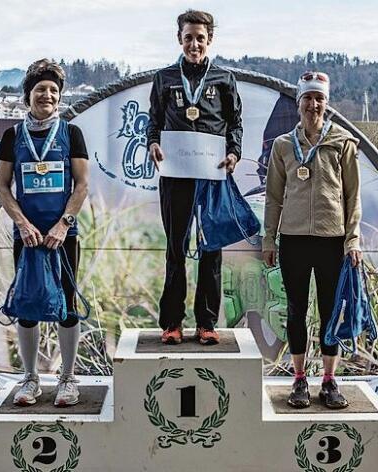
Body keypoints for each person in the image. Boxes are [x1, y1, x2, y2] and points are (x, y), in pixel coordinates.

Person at [263, 71, 362, 410]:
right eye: (308, 98)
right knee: (296, 310)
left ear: (326, 103)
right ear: (299, 102)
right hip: (292, 240)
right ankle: (300, 378)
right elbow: (273, 197)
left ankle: (330, 380)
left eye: (319, 98)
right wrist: (269, 239)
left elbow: (353, 197)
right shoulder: (282, 146)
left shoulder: (343, 142)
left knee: (329, 312)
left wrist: (353, 241)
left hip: (331, 240)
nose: (313, 104)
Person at [0, 59, 90, 407]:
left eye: (53, 90)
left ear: (59, 97)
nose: (47, 95)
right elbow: (3, 187)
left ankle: (67, 379)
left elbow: (81, 186)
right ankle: (31, 379)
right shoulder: (12, 136)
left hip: (62, 236)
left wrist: (63, 224)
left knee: (66, 304)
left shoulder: (71, 133)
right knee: (28, 305)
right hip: (29, 236)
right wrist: (22, 223)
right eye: (40, 90)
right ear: (27, 97)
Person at [147, 9, 242, 346]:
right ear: (180, 39)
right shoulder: (164, 78)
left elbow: (235, 124)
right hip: (175, 176)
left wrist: (234, 152)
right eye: (188, 37)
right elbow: (153, 121)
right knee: (176, 248)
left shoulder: (223, 78)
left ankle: (206, 323)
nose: (194, 43)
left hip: (211, 176)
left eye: (200, 37)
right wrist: (153, 142)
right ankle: (172, 322)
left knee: (210, 248)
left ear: (209, 40)